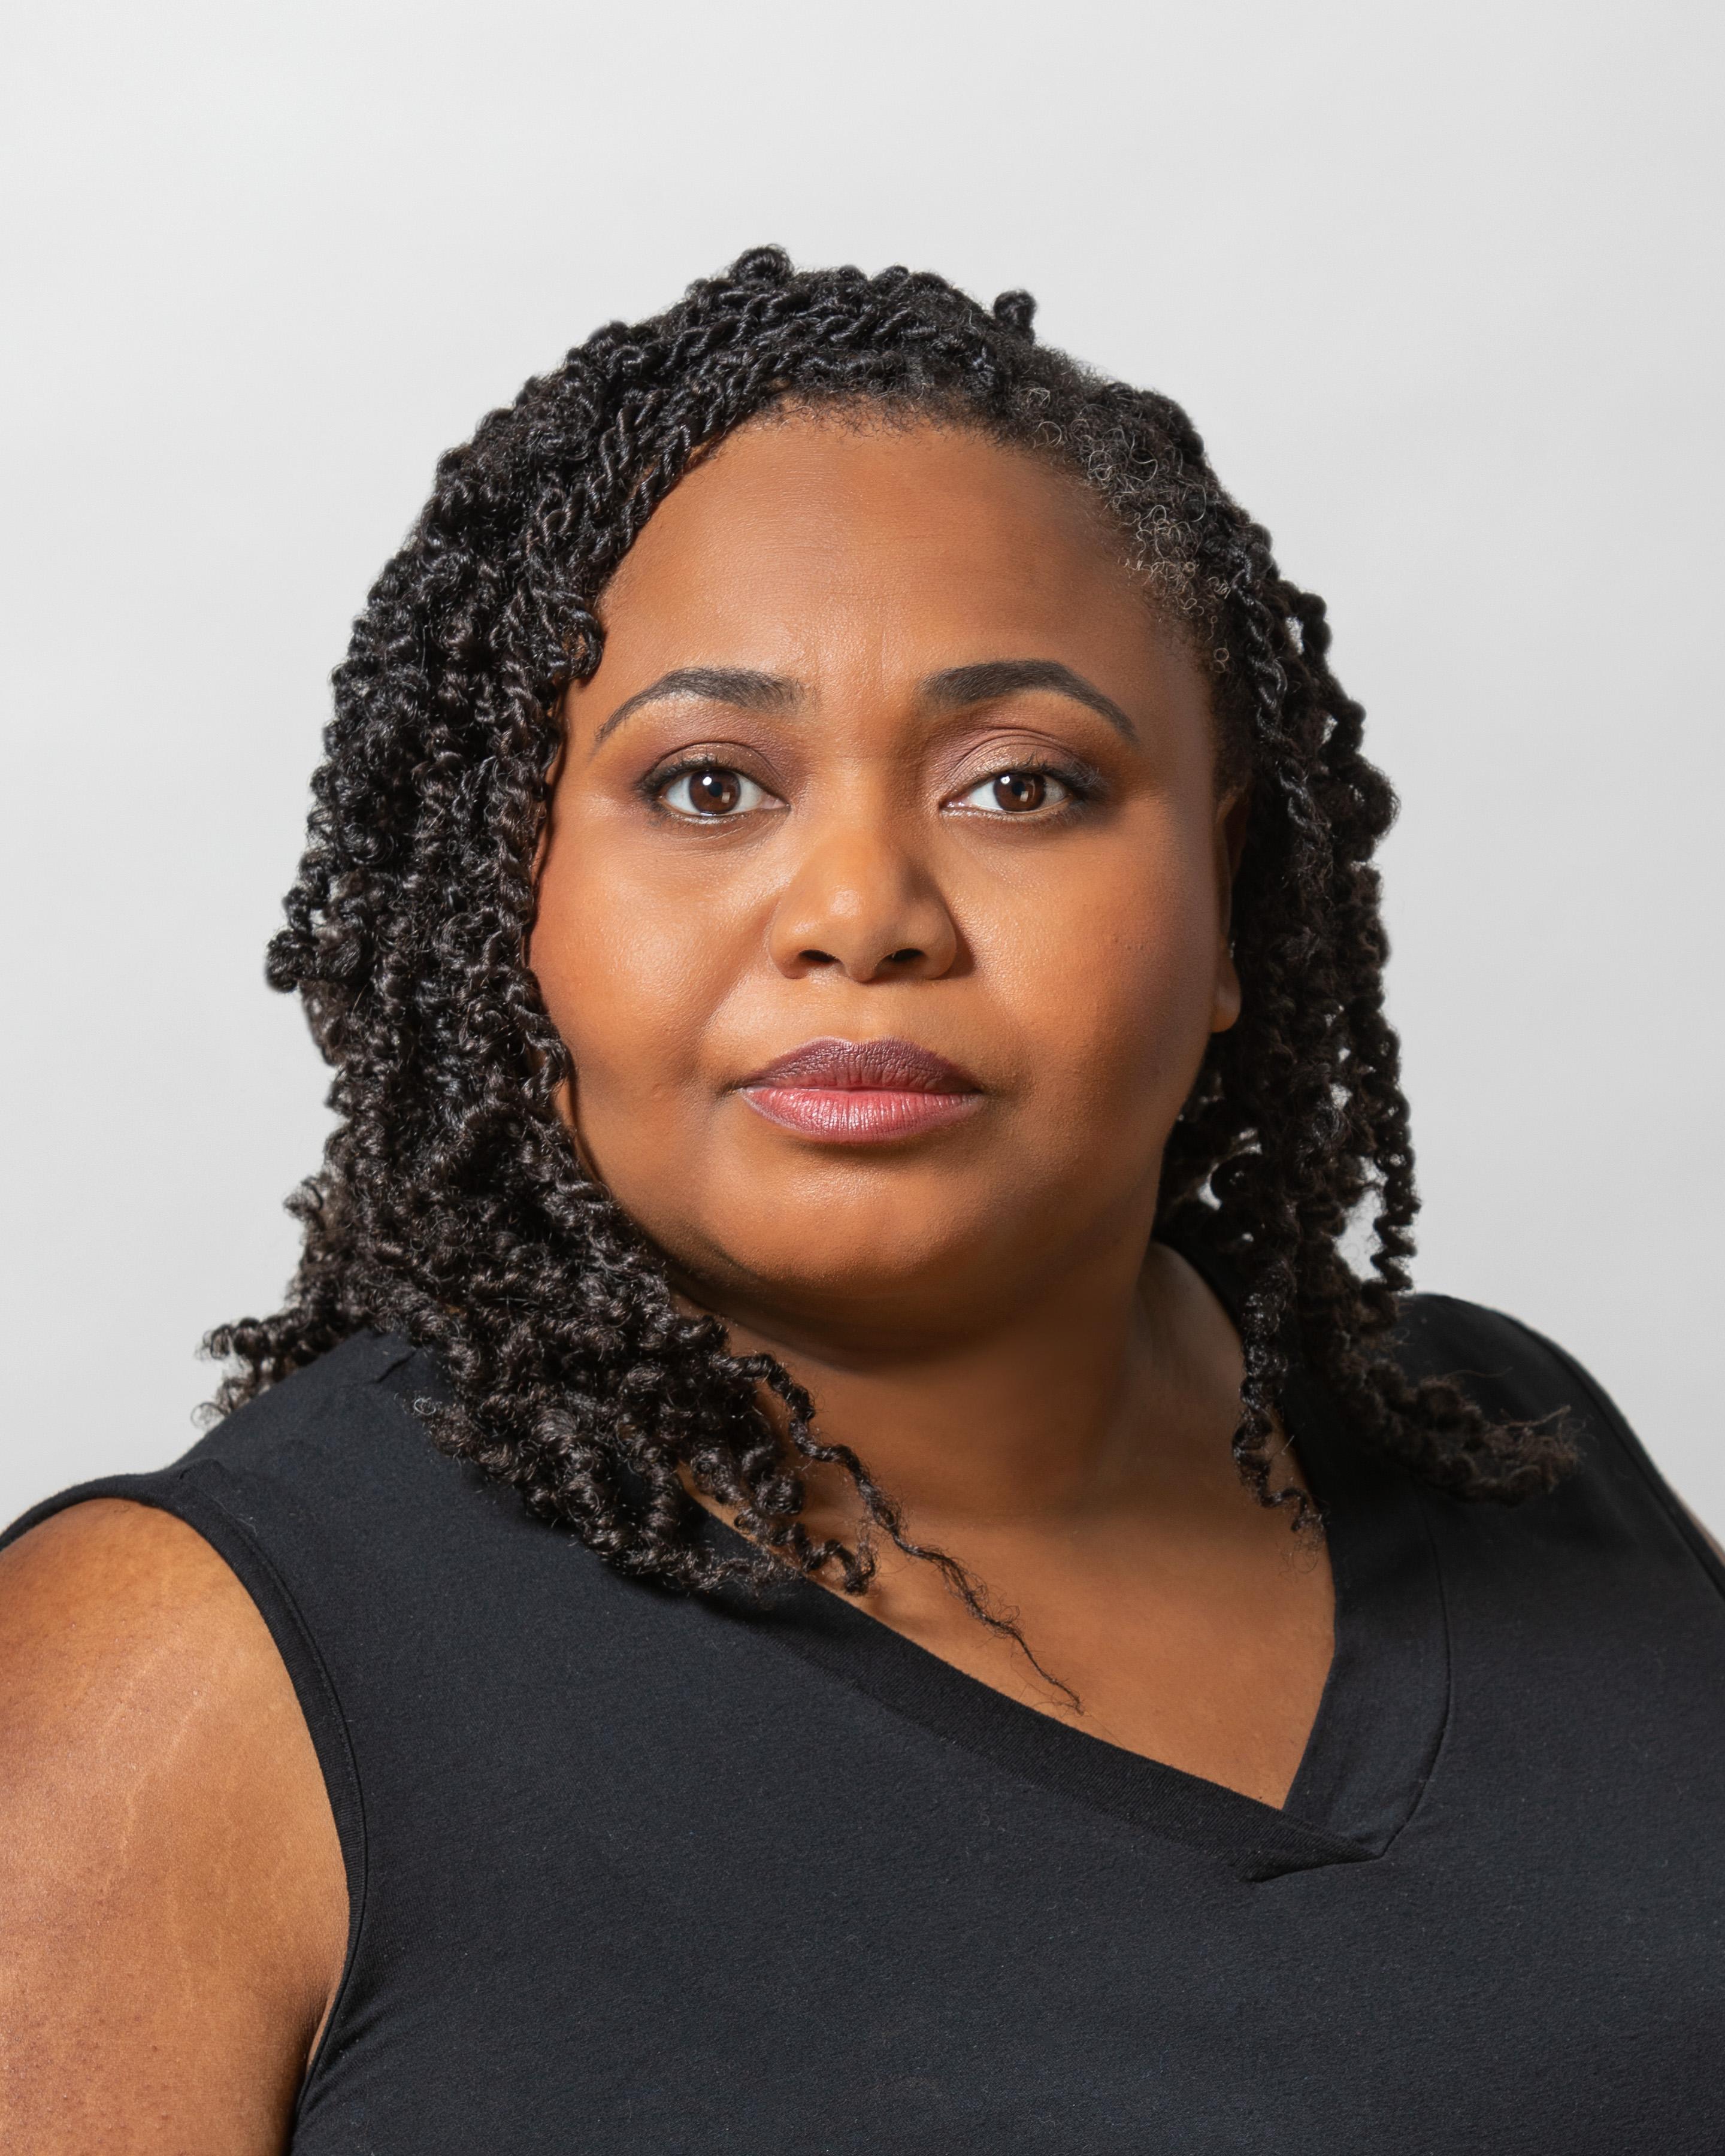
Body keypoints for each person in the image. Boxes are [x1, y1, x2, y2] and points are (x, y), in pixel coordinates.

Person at [1, 248, 1720, 2155]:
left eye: (1021, 787)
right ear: (505, 903)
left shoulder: (1523, 1458)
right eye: (709, 785)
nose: (862, 913)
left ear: (1226, 897)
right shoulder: (178, 1680)